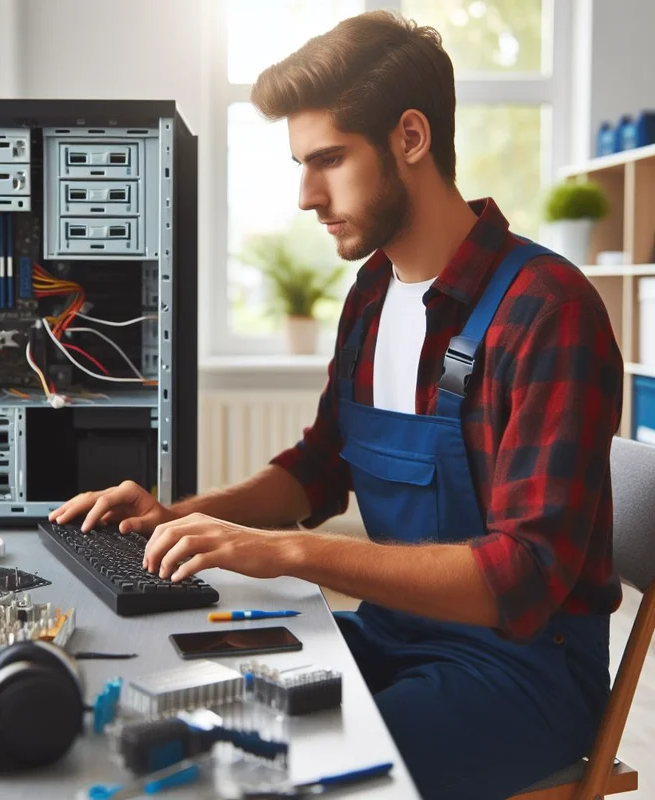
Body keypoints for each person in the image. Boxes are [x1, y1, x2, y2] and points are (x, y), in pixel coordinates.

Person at [51, 10, 623, 800]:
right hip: (391, 636)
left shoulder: (548, 311)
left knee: (277, 779)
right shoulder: (373, 292)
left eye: (329, 160)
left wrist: (287, 553)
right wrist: (177, 518)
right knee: (183, 707)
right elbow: (319, 471)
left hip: (521, 679)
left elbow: (521, 578)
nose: (305, 195)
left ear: (411, 137)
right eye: (299, 163)